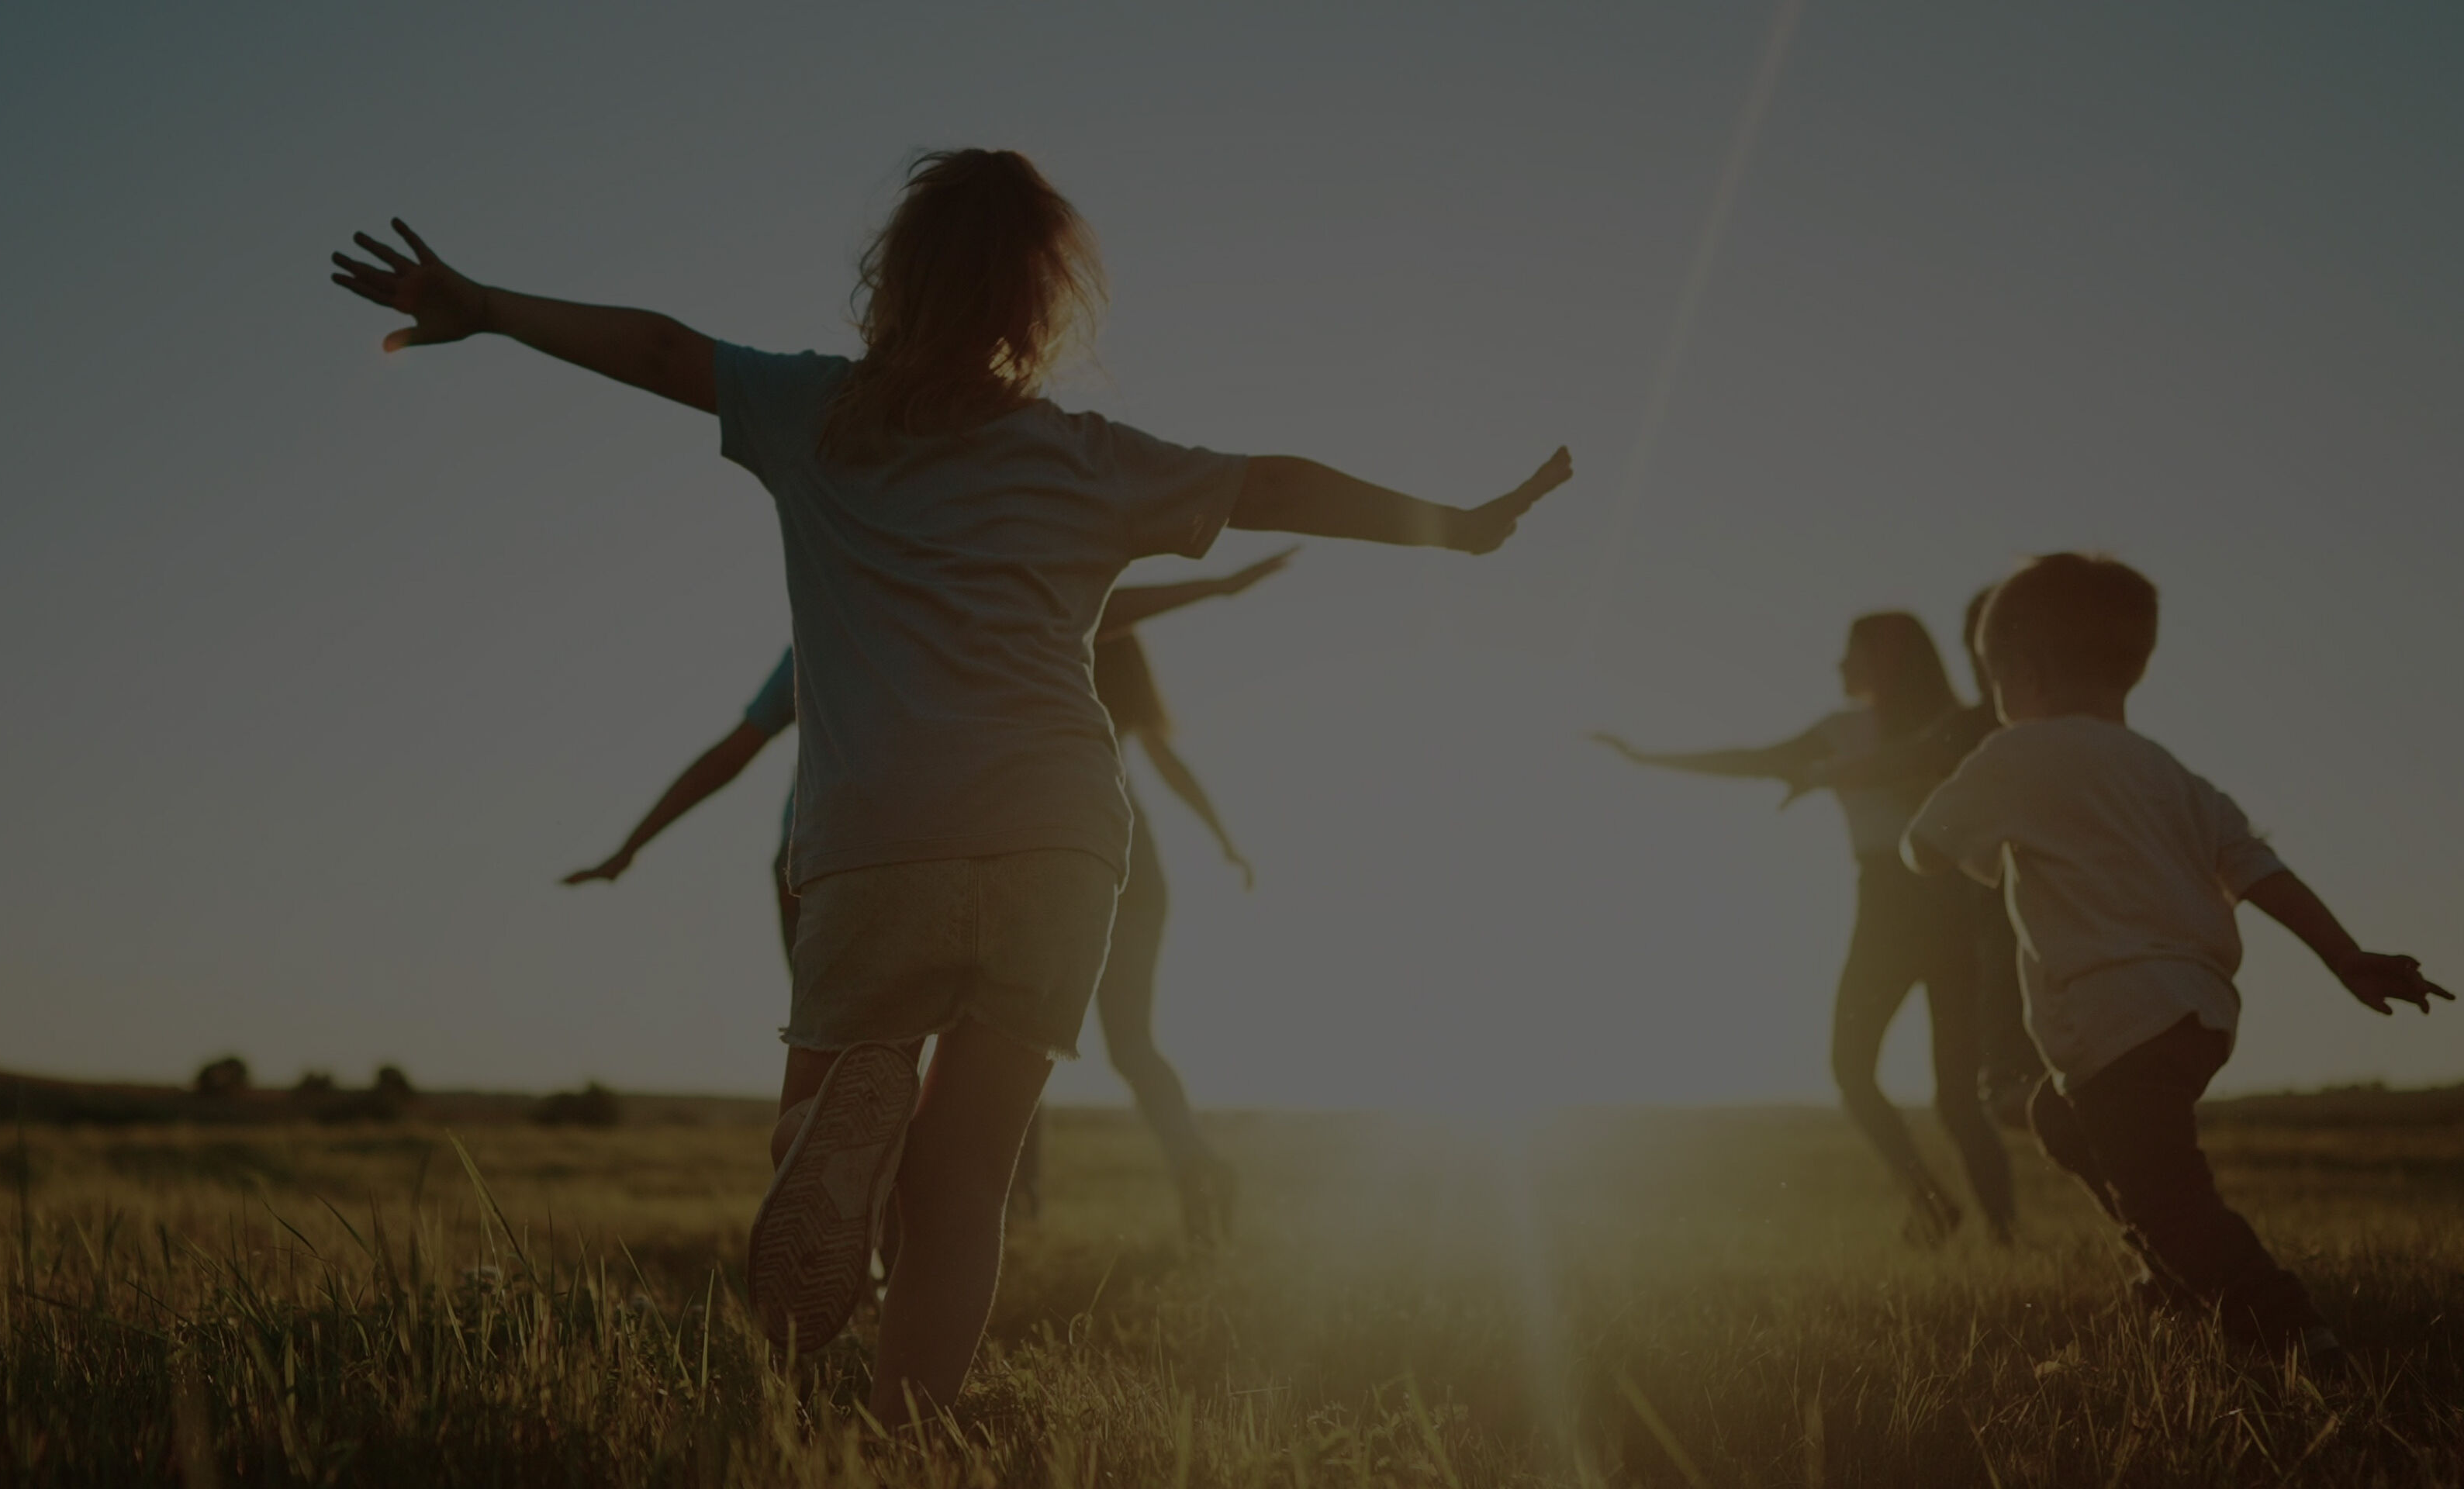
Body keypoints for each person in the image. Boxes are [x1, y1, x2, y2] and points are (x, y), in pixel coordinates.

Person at [330, 148, 1573, 1425]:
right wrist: (1456, 524)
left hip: (878, 843)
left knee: (810, 1137)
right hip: (1060, 845)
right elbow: (1272, 483)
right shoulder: (1088, 457)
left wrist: (485, 304)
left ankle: (838, 1180)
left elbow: (655, 347)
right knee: (970, 1181)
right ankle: (904, 1434)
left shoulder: (814, 415)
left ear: (895, 278)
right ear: (1040, 304)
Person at [564, 554, 1290, 1240]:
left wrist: (631, 846)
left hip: (864, 866)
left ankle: (886, 1222)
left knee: (863, 1068)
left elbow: (735, 749)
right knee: (1016, 1047)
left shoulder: (863, 630)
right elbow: (1128, 673)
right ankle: (1016, 1201)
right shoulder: (1010, 636)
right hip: (1063, 863)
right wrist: (1218, 587)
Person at [1903, 552, 2450, 1357]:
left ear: (2021, 673)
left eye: (1992, 675)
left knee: (2164, 1190)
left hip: (2113, 1018)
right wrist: (2346, 956)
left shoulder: (2013, 756)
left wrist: (1938, 844)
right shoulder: (2174, 775)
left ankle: (2286, 1329)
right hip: (2196, 1015)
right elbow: (2263, 872)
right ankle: (2173, 1272)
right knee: (2062, 1119)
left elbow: (1921, 846)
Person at [1594, 612, 2016, 1244]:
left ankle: (1940, 1209)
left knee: (1855, 1067)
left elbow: (1754, 761)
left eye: (1852, 652)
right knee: (1957, 1096)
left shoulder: (1857, 732)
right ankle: (1996, 1234)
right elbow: (1756, 760)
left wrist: (1647, 759)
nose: (1840, 665)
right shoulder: (1956, 725)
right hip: (1956, 909)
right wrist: (1650, 757)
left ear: (1885, 661)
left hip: (1894, 907)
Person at [1808, 586, 2044, 1127]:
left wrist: (1824, 773)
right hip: (1965, 912)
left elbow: (1918, 804)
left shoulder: (1976, 731)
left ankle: (1967, 1194)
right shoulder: (1966, 727)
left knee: (1969, 1093)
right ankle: (1970, 1202)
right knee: (1970, 1096)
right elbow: (1906, 763)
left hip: (1936, 909)